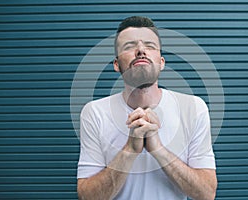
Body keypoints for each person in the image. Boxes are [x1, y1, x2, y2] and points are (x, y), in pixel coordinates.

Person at [77, 16, 217, 200]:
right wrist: (130, 149)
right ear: (117, 64)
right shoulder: (94, 112)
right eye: (129, 46)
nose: (141, 50)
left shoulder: (193, 108)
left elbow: (207, 194)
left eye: (150, 45)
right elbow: (87, 196)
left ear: (162, 62)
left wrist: (158, 149)